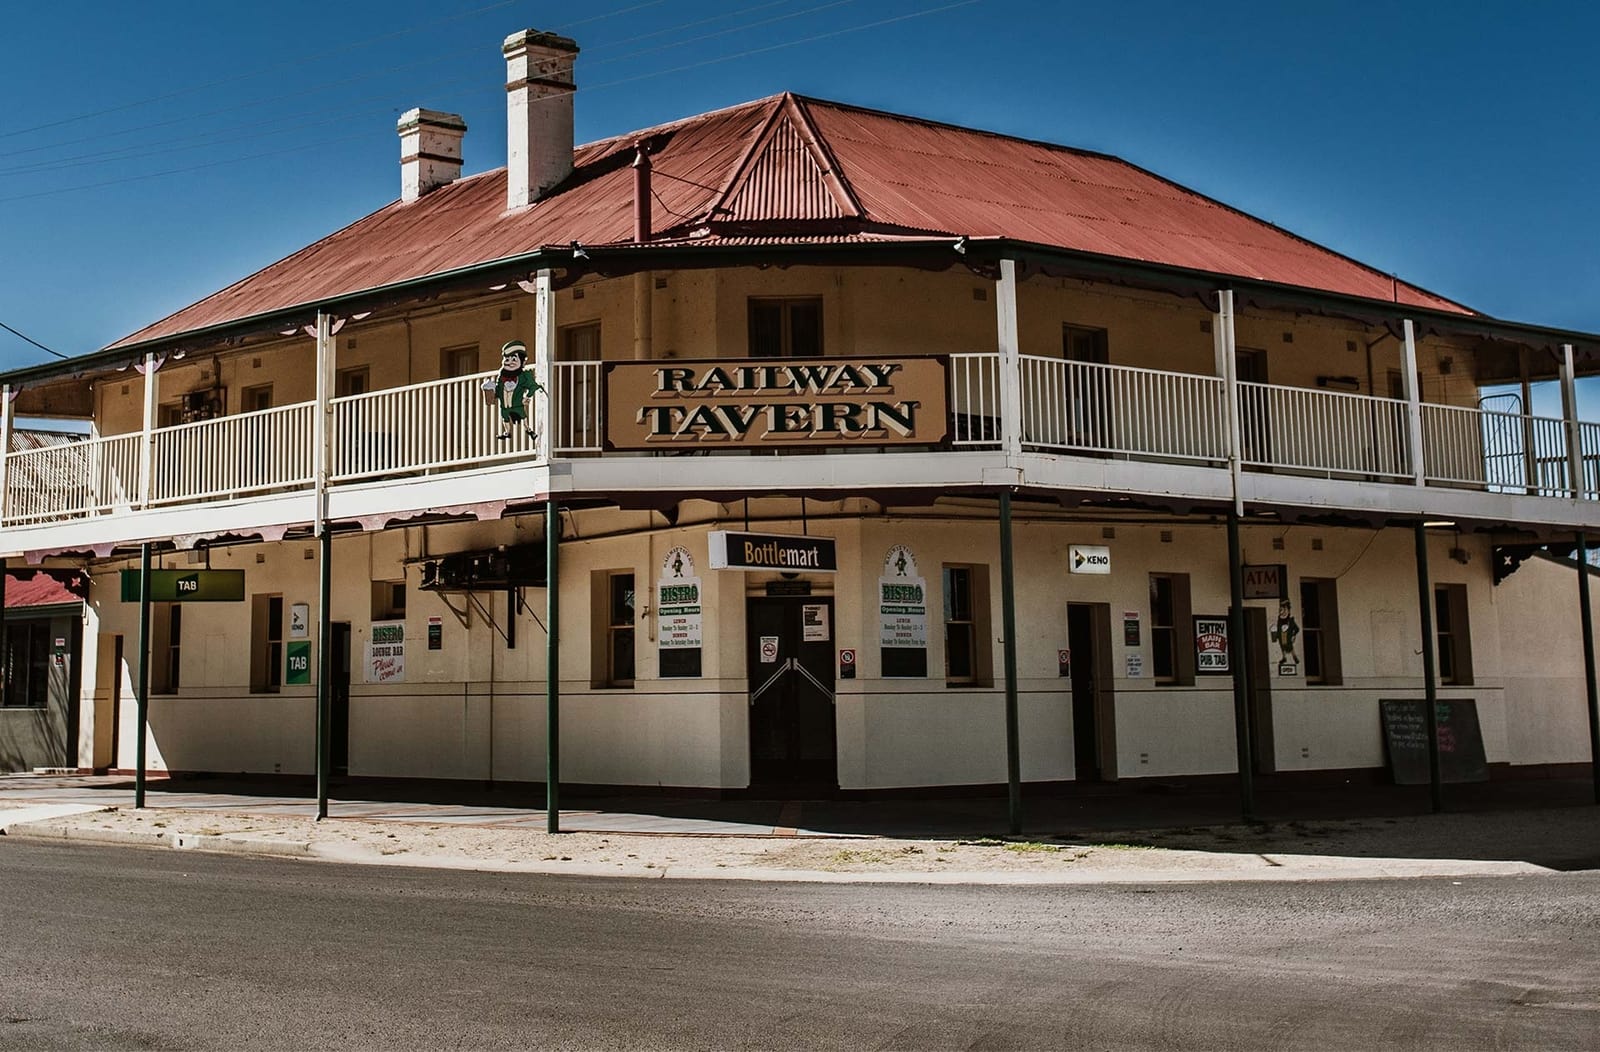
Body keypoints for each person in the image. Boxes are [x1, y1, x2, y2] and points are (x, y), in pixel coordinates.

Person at [483, 339, 544, 441]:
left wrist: (528, 396)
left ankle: (528, 430)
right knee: (505, 418)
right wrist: (489, 389)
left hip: (517, 405)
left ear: (522, 362)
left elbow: (533, 386)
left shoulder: (523, 376)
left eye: (514, 359)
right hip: (505, 407)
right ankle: (507, 432)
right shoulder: (501, 378)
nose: (510, 363)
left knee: (523, 418)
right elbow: (498, 392)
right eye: (507, 360)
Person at [1272, 598, 1300, 666]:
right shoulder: (1280, 621)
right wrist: (1275, 635)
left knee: (1289, 646)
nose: (1283, 612)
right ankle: (1284, 657)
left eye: (1285, 610)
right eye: (1281, 610)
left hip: (1288, 636)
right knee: (1282, 645)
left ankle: (1294, 657)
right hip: (1282, 636)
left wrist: (1294, 635)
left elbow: (1297, 629)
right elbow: (1278, 629)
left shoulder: (1290, 621)